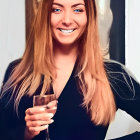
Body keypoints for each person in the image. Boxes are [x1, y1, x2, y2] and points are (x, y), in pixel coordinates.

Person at [0, 0, 140, 140]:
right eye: (57, 10)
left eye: (78, 10)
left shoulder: (113, 75)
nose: (67, 20)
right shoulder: (17, 72)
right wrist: (26, 133)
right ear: (45, 15)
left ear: (89, 16)